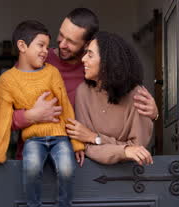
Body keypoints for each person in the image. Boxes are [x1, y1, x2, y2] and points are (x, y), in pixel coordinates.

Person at [0, 8, 159, 161]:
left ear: (87, 44)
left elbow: (122, 110)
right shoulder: (37, 60)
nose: (61, 44)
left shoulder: (93, 75)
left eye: (71, 41)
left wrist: (154, 115)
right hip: (32, 162)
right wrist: (31, 116)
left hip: (79, 163)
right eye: (61, 35)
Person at [0, 20, 84, 207]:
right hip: (33, 139)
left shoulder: (52, 73)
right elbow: (0, 120)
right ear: (22, 45)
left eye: (47, 46)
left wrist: (76, 143)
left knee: (67, 168)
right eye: (41, 45)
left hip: (60, 136)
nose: (46, 51)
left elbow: (66, 107)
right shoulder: (7, 81)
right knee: (30, 167)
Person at [66, 31, 154, 166]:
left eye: (90, 55)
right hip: (91, 175)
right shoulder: (83, 92)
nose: (83, 59)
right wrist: (123, 149)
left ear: (108, 61)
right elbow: (87, 147)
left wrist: (94, 137)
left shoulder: (138, 96)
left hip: (131, 177)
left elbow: (137, 149)